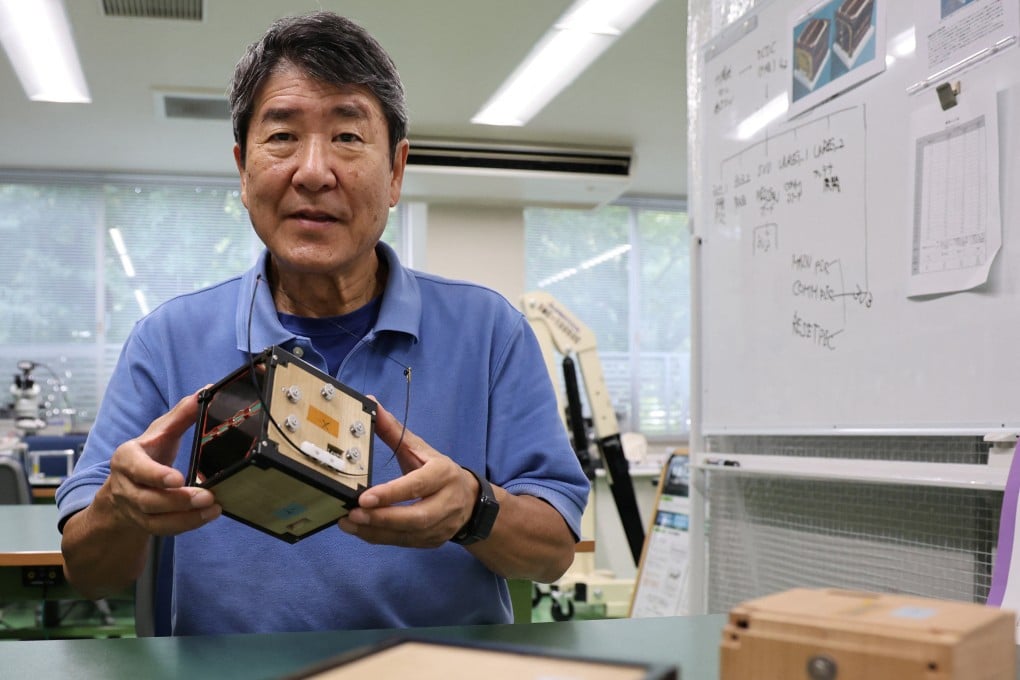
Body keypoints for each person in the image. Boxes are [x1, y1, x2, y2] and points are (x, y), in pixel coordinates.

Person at [56, 11, 589, 635]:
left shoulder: (490, 332)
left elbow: (553, 552)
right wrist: (122, 509)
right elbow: (89, 571)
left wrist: (473, 508)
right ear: (243, 167)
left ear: (395, 171)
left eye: (347, 136)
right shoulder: (167, 340)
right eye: (282, 136)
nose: (313, 171)